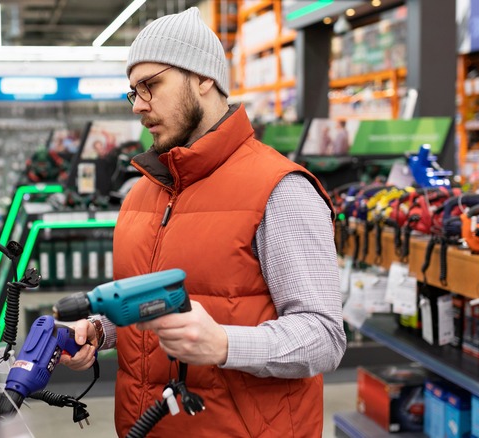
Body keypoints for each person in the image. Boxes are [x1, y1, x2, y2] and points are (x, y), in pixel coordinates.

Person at [60, 7, 346, 437]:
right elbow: (149, 311)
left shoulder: (280, 189)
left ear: (204, 78)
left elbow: (324, 336)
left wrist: (225, 345)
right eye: (132, 92)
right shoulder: (142, 193)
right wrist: (100, 331)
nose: (139, 105)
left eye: (150, 86)